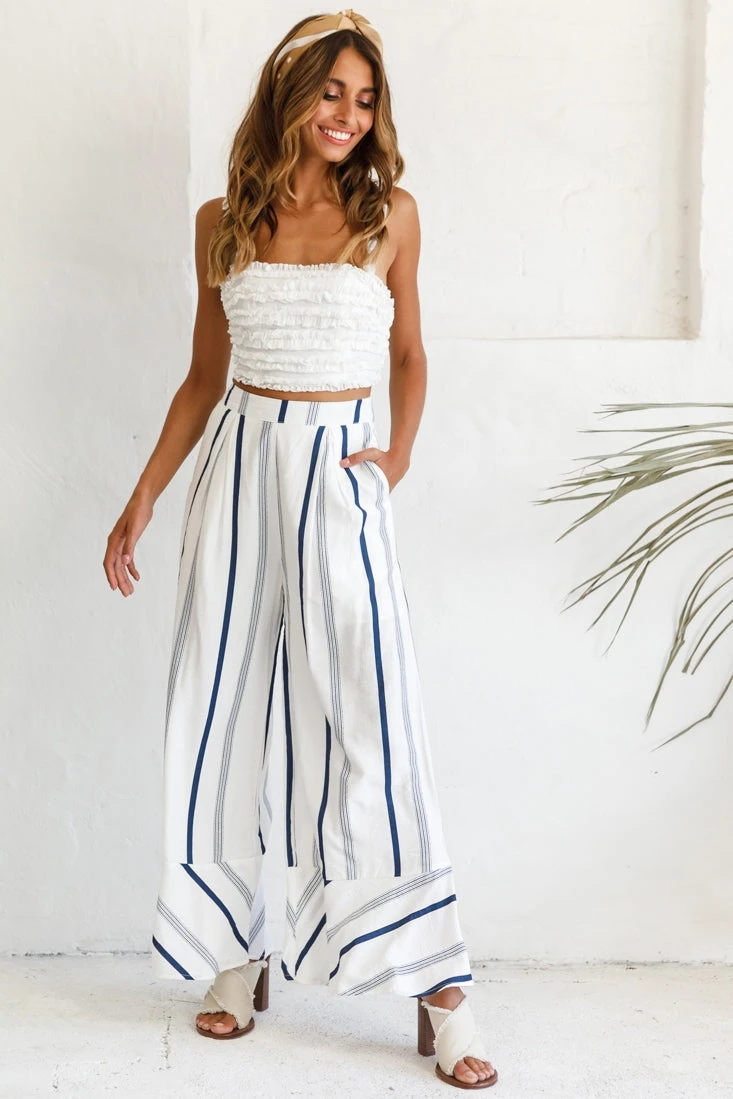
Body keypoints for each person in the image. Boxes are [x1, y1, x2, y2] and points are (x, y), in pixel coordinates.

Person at [103, 9, 497, 1090]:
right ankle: (235, 953)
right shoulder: (223, 220)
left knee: (375, 722)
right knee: (219, 710)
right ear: (289, 95)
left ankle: (439, 987)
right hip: (237, 472)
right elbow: (203, 377)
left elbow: (410, 353)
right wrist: (142, 496)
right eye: (331, 92)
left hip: (339, 476)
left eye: (365, 99)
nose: (348, 114)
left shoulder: (390, 215)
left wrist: (395, 458)